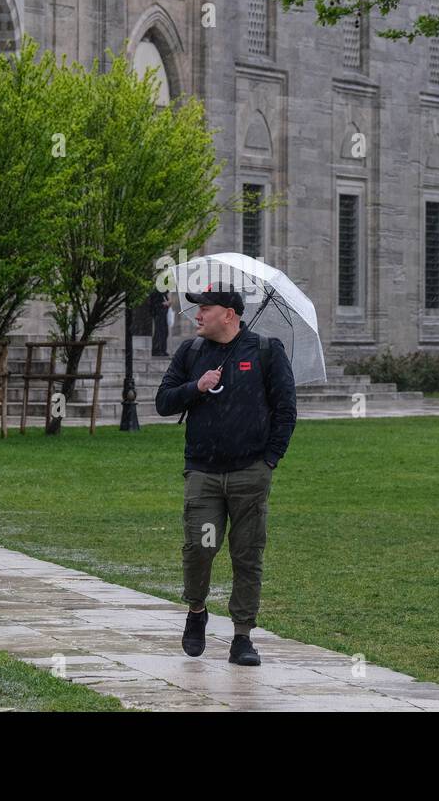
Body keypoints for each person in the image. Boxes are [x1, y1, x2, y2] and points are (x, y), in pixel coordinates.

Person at [154, 284, 297, 667]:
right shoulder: (191, 352)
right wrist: (195, 387)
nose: (197, 315)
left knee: (247, 554)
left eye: (205, 309)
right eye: (196, 309)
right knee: (200, 548)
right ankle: (197, 611)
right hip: (203, 472)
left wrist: (270, 460)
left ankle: (242, 637)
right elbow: (163, 402)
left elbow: (286, 410)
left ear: (229, 314)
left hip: (251, 473)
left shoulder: (266, 350)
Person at [148, 288, 170, 357]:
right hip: (158, 314)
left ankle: (163, 350)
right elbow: (154, 304)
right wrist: (163, 304)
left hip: (163, 314)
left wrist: (167, 303)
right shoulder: (156, 293)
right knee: (159, 332)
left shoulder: (164, 294)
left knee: (164, 332)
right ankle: (157, 350)